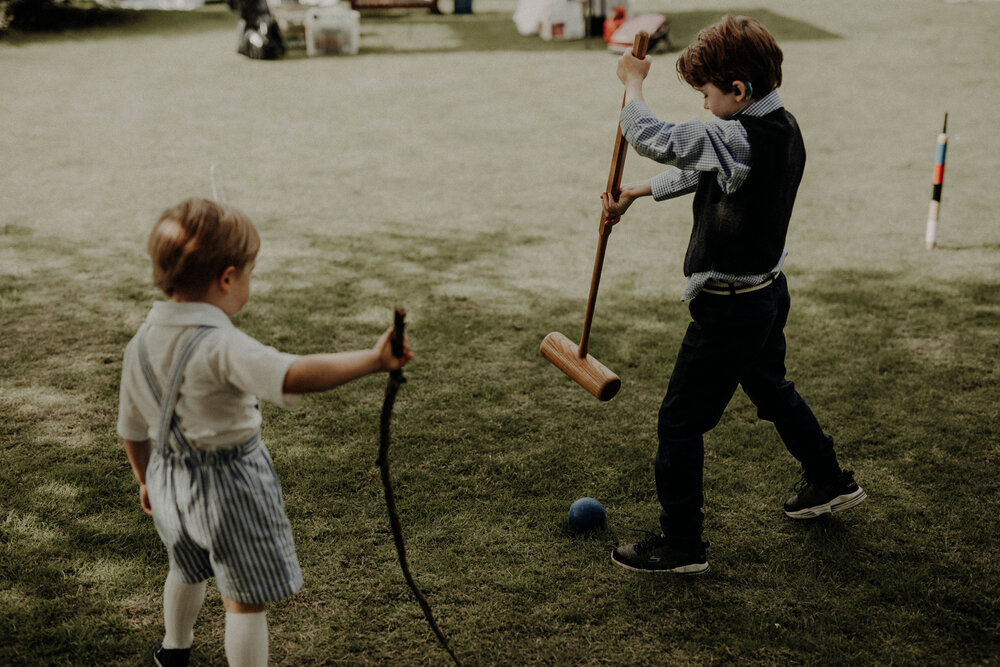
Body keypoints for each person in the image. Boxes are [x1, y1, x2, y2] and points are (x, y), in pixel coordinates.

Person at [601, 15, 865, 575]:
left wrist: (632, 82)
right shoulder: (780, 124)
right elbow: (708, 169)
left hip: (730, 309)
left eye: (706, 94)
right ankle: (828, 479)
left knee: (679, 421)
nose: (703, 104)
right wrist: (639, 192)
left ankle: (681, 546)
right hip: (768, 295)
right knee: (770, 390)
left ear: (738, 90)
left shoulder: (735, 133)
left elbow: (656, 138)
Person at [117, 198, 412, 665]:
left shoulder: (139, 343)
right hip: (231, 488)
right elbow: (292, 374)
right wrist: (374, 360)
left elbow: (132, 430)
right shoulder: (222, 345)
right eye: (249, 275)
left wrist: (145, 478)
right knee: (244, 599)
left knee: (186, 568)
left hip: (171, 481)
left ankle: (174, 650)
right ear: (228, 278)